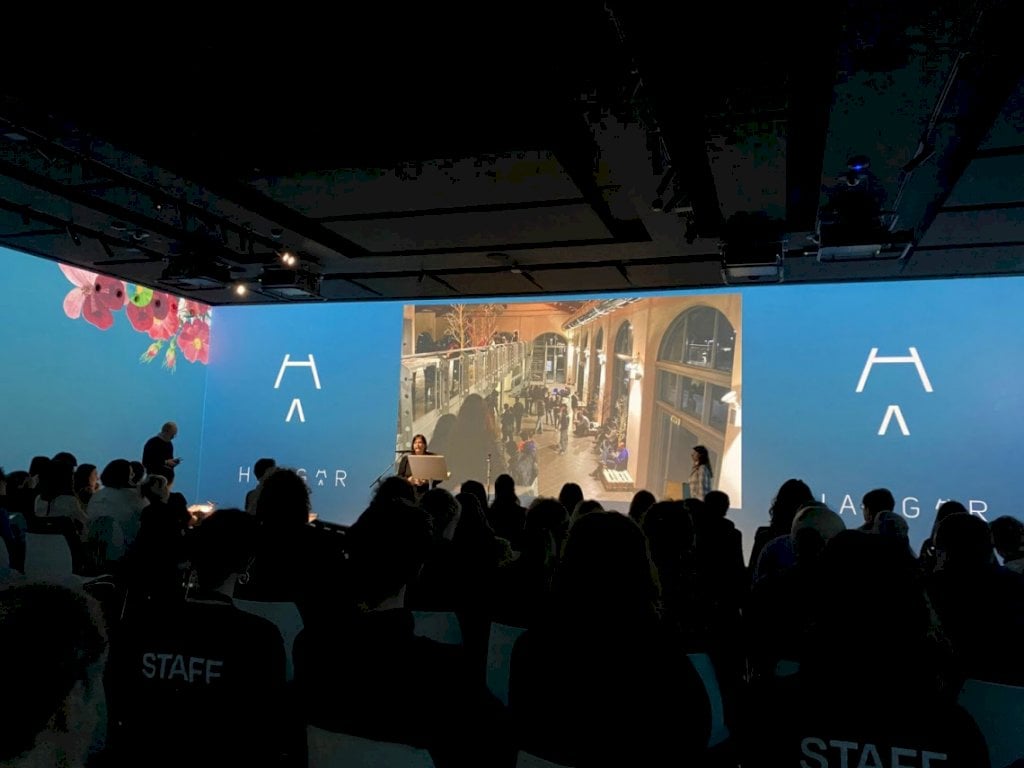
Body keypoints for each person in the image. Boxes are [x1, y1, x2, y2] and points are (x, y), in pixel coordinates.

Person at [396, 434, 440, 501]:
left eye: (420, 442)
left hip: (428, 493)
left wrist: (427, 481)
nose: (417, 445)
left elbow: (440, 477)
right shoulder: (406, 459)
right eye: (415, 443)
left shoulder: (432, 457)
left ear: (424, 445)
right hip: (410, 494)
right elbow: (399, 477)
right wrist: (408, 480)